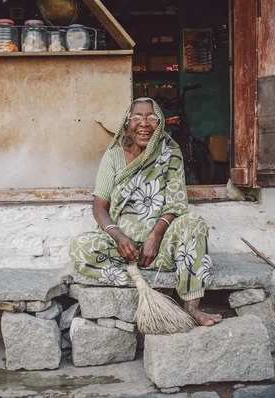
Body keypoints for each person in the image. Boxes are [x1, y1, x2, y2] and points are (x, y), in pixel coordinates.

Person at [69, 97, 222, 326]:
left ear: (160, 123)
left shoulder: (170, 153)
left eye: (151, 117)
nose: (144, 123)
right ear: (126, 123)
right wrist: (118, 236)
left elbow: (176, 203)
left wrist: (156, 235)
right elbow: (99, 206)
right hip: (123, 247)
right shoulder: (113, 157)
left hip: (160, 248)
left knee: (194, 222)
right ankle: (137, 274)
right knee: (80, 247)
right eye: (137, 117)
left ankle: (191, 306)